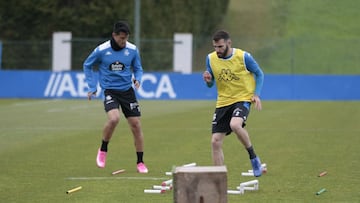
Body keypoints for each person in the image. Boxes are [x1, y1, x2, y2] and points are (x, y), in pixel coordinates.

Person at [83, 21, 148, 173]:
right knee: (114, 119)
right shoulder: (101, 50)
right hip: (109, 90)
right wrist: (92, 87)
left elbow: (138, 68)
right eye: (121, 38)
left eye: (125, 38)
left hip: (127, 91)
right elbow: (87, 64)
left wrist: (138, 78)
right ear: (114, 35)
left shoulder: (132, 50)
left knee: (136, 125)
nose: (123, 42)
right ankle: (103, 150)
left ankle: (140, 162)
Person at [203, 30, 264, 177]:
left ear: (229, 43)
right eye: (215, 47)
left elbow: (259, 73)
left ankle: (253, 156)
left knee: (235, 125)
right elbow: (211, 85)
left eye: (220, 47)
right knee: (215, 142)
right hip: (223, 101)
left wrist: (256, 94)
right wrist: (209, 81)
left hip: (242, 98)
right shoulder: (210, 59)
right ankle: (219, 180)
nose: (217, 50)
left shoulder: (243, 57)